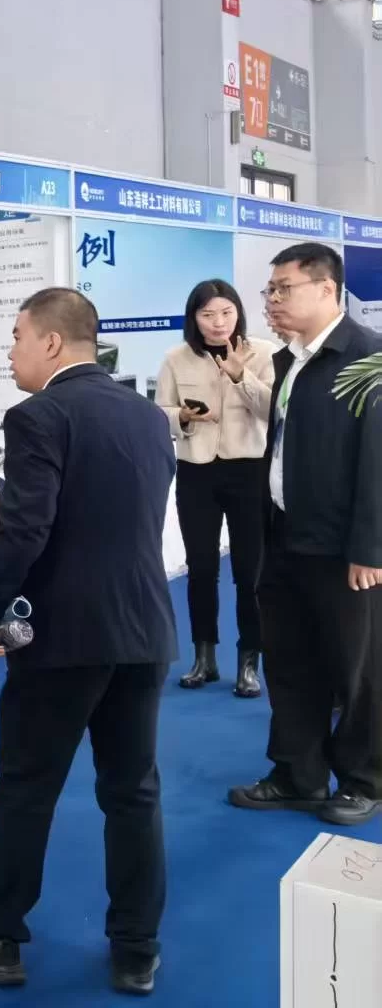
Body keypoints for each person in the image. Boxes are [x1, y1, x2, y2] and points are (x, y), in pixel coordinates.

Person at [0, 289, 176, 997]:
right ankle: (136, 947)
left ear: (51, 342)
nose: (10, 351)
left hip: (62, 635)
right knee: (133, 792)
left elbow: (25, 528)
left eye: (17, 335)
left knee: (27, 789)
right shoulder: (147, 415)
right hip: (143, 627)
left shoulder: (39, 416)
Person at [230, 243, 382, 827]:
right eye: (268, 290)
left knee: (358, 669)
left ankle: (365, 780)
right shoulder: (291, 360)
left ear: (327, 289)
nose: (271, 300)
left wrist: (370, 547)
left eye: (283, 288)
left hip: (344, 550)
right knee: (291, 662)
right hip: (285, 539)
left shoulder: (368, 359)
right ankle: (299, 773)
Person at [154, 280, 275, 697]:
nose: (218, 322)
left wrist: (241, 376)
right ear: (194, 318)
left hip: (249, 471)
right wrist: (184, 417)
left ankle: (249, 662)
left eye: (226, 313)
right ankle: (203, 658)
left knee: (249, 572)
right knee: (201, 569)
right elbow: (160, 412)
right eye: (208, 314)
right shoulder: (176, 358)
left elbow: (274, 410)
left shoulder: (263, 353)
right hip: (197, 472)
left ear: (238, 313)